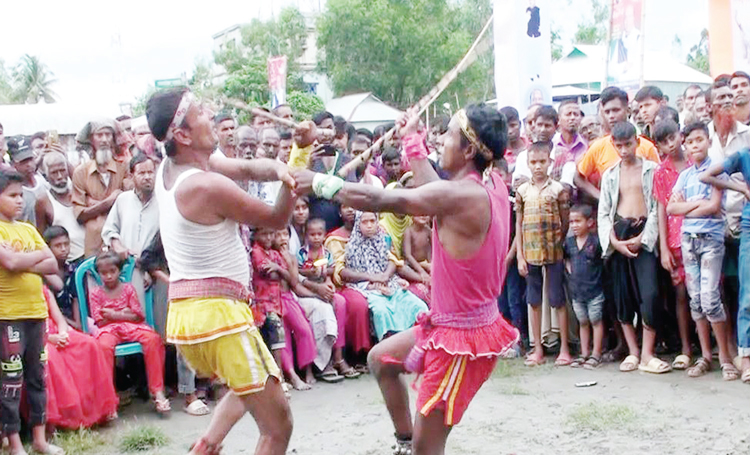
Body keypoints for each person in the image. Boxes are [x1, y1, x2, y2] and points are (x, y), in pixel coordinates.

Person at [293, 103, 519, 454]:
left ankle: (413, 446)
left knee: (428, 450)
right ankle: (404, 439)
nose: (441, 141)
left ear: (469, 150)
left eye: (449, 137)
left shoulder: (462, 195)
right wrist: (413, 139)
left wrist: (319, 182)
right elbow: (434, 193)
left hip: (460, 340)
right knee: (380, 361)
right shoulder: (485, 185)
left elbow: (378, 197)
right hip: (449, 327)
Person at [147, 87, 296, 454]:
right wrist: (295, 176)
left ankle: (206, 446)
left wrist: (280, 165)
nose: (211, 113)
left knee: (247, 387)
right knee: (278, 426)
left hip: (193, 319)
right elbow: (276, 218)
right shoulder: (205, 185)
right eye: (201, 110)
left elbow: (246, 168)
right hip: (218, 319)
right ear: (181, 134)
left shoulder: (175, 168)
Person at [667, 122, 737, 381]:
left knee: (710, 298)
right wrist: (697, 204)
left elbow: (714, 206)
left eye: (699, 140)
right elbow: (671, 210)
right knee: (696, 299)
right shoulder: (685, 176)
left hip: (711, 240)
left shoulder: (716, 171)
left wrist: (687, 206)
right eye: (691, 141)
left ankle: (725, 358)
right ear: (685, 145)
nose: (695, 145)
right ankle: (706, 356)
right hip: (688, 241)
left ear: (708, 141)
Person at [0, 168, 63, 455]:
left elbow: (52, 265)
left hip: (36, 314)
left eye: (21, 195)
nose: (19, 201)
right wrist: (30, 258)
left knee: (38, 378)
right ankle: (14, 444)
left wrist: (20, 259)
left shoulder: (26, 229)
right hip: (7, 315)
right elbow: (10, 264)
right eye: (12, 195)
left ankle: (39, 440)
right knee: (11, 381)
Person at [598, 122, 669, 374]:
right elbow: (604, 212)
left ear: (637, 142)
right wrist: (614, 241)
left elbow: (656, 208)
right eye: (618, 146)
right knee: (622, 295)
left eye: (628, 144)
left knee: (649, 294)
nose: (624, 150)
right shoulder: (610, 175)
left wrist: (644, 239)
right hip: (620, 233)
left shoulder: (652, 170)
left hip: (644, 233)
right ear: (613, 145)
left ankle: (648, 353)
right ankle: (633, 351)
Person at [89, 251, 169, 413]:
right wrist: (124, 313)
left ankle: (158, 391)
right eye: (104, 273)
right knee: (103, 347)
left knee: (152, 339)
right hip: (108, 330)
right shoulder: (95, 293)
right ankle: (108, 400)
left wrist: (112, 314)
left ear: (120, 271)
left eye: (112, 271)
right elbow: (100, 320)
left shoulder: (128, 288)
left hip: (132, 327)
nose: (109, 276)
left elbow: (138, 315)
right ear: (98, 274)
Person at [516, 141, 572, 367]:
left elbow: (565, 221)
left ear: (550, 162)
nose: (538, 166)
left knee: (558, 299)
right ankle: (537, 348)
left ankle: (565, 349)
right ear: (528, 164)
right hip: (530, 254)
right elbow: (519, 225)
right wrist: (520, 255)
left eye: (542, 162)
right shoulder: (522, 191)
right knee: (534, 300)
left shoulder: (558, 190)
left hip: (554, 253)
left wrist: (559, 241)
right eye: (533, 162)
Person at [341, 211, 428, 341]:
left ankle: (417, 343)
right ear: (358, 224)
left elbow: (392, 260)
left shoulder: (383, 239)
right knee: (381, 312)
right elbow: (350, 274)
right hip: (369, 289)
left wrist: (386, 277)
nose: (369, 225)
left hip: (391, 284)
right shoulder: (352, 247)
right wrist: (373, 282)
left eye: (372, 221)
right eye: (365, 222)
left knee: (418, 306)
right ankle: (386, 346)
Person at [44, 287, 119, 429]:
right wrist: (49, 338)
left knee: (90, 344)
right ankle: (63, 417)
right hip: (37, 338)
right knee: (51, 358)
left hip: (59, 332)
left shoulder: (43, 290)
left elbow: (59, 319)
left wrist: (62, 334)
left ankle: (101, 408)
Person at [652, 120, 693, 371]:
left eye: (673, 137)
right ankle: (686, 348)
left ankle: (722, 347)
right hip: (675, 240)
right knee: (680, 296)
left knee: (713, 293)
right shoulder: (661, 172)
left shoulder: (696, 163)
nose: (671, 144)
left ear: (681, 134)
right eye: (665, 141)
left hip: (701, 233)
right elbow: (660, 210)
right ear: (659, 146)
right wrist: (664, 248)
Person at [576, 87, 661, 200]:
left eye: (616, 110)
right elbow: (578, 177)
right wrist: (601, 198)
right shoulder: (598, 147)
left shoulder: (646, 146)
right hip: (611, 214)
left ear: (628, 110)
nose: (611, 116)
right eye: (607, 112)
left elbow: (660, 180)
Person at [72, 119, 131, 257]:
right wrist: (109, 201)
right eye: (99, 135)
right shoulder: (80, 172)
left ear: (113, 139)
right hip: (95, 244)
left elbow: (129, 204)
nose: (104, 140)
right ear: (91, 140)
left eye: (108, 135)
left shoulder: (125, 168)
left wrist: (94, 205)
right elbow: (79, 214)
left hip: (122, 240)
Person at [325, 205, 372, 371]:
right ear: (339, 212)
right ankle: (359, 354)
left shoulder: (371, 229)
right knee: (358, 304)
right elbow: (338, 269)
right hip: (345, 284)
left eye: (354, 206)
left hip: (371, 279)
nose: (351, 210)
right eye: (345, 206)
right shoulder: (334, 238)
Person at [272, 228, 319, 390]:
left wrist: (288, 262)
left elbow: (293, 282)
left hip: (288, 297)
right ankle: (291, 374)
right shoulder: (268, 256)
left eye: (285, 234)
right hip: (274, 300)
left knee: (304, 330)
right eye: (277, 235)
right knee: (282, 338)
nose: (282, 238)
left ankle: (308, 369)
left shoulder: (290, 257)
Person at [564, 204, 604, 369]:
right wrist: (569, 270)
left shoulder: (595, 242)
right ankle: (584, 352)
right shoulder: (569, 242)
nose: (574, 225)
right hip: (577, 292)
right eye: (571, 222)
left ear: (589, 222)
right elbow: (566, 258)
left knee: (596, 321)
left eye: (578, 221)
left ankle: (596, 353)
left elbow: (603, 262)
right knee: (583, 322)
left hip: (594, 290)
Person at [494, 159, 527, 353]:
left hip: (512, 258)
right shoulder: (487, 199)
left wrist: (509, 256)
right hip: (494, 261)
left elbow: (519, 229)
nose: (496, 178)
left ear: (507, 176)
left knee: (514, 298)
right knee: (499, 301)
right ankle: (501, 340)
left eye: (500, 174)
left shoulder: (514, 199)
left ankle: (519, 339)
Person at [102, 154, 159, 258]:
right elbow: (109, 230)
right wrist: (119, 248)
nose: (147, 177)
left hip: (155, 267)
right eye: (142, 173)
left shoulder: (163, 202)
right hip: (127, 268)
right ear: (131, 176)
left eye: (150, 172)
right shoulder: (123, 200)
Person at [36, 152, 86, 262]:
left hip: (92, 256)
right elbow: (41, 238)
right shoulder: (43, 201)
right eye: (54, 172)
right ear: (46, 175)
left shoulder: (80, 191)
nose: (59, 176)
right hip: (69, 262)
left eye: (62, 170)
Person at [43, 226, 82, 329]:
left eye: (66, 244)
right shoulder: (42, 273)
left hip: (72, 321)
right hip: (49, 322)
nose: (63, 249)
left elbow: (76, 299)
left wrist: (76, 324)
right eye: (58, 246)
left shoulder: (73, 271)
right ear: (48, 248)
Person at [9, 143, 45, 226]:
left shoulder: (42, 182)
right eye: (23, 162)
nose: (28, 164)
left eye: (30, 159)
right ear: (13, 164)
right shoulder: (13, 194)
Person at [403, 213, 432, 305]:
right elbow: (407, 255)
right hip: (412, 266)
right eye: (419, 212)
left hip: (425, 264)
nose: (423, 215)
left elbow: (434, 248)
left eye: (425, 212)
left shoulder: (428, 230)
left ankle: (429, 277)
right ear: (411, 215)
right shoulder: (408, 231)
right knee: (402, 268)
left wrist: (432, 264)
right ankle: (421, 279)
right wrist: (421, 271)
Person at [500, 106, 526, 173]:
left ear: (520, 125)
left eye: (513, 125)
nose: (510, 131)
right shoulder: (500, 154)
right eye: (505, 127)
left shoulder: (532, 145)